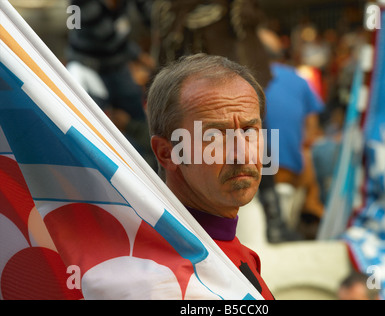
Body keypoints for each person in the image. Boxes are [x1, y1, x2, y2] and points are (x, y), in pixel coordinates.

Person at [147, 53, 274, 300]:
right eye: (214, 135)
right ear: (167, 153)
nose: (242, 154)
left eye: (249, 130)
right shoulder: (165, 280)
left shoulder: (234, 251)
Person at [66, 0, 157, 169]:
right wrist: (142, 58)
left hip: (117, 66)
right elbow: (107, 34)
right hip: (87, 68)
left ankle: (148, 166)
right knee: (96, 127)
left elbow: (151, 13)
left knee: (136, 112)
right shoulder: (80, 5)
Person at [259, 28, 325, 236]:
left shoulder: (247, 79)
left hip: (261, 174)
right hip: (294, 173)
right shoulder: (300, 80)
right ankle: (312, 208)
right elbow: (311, 132)